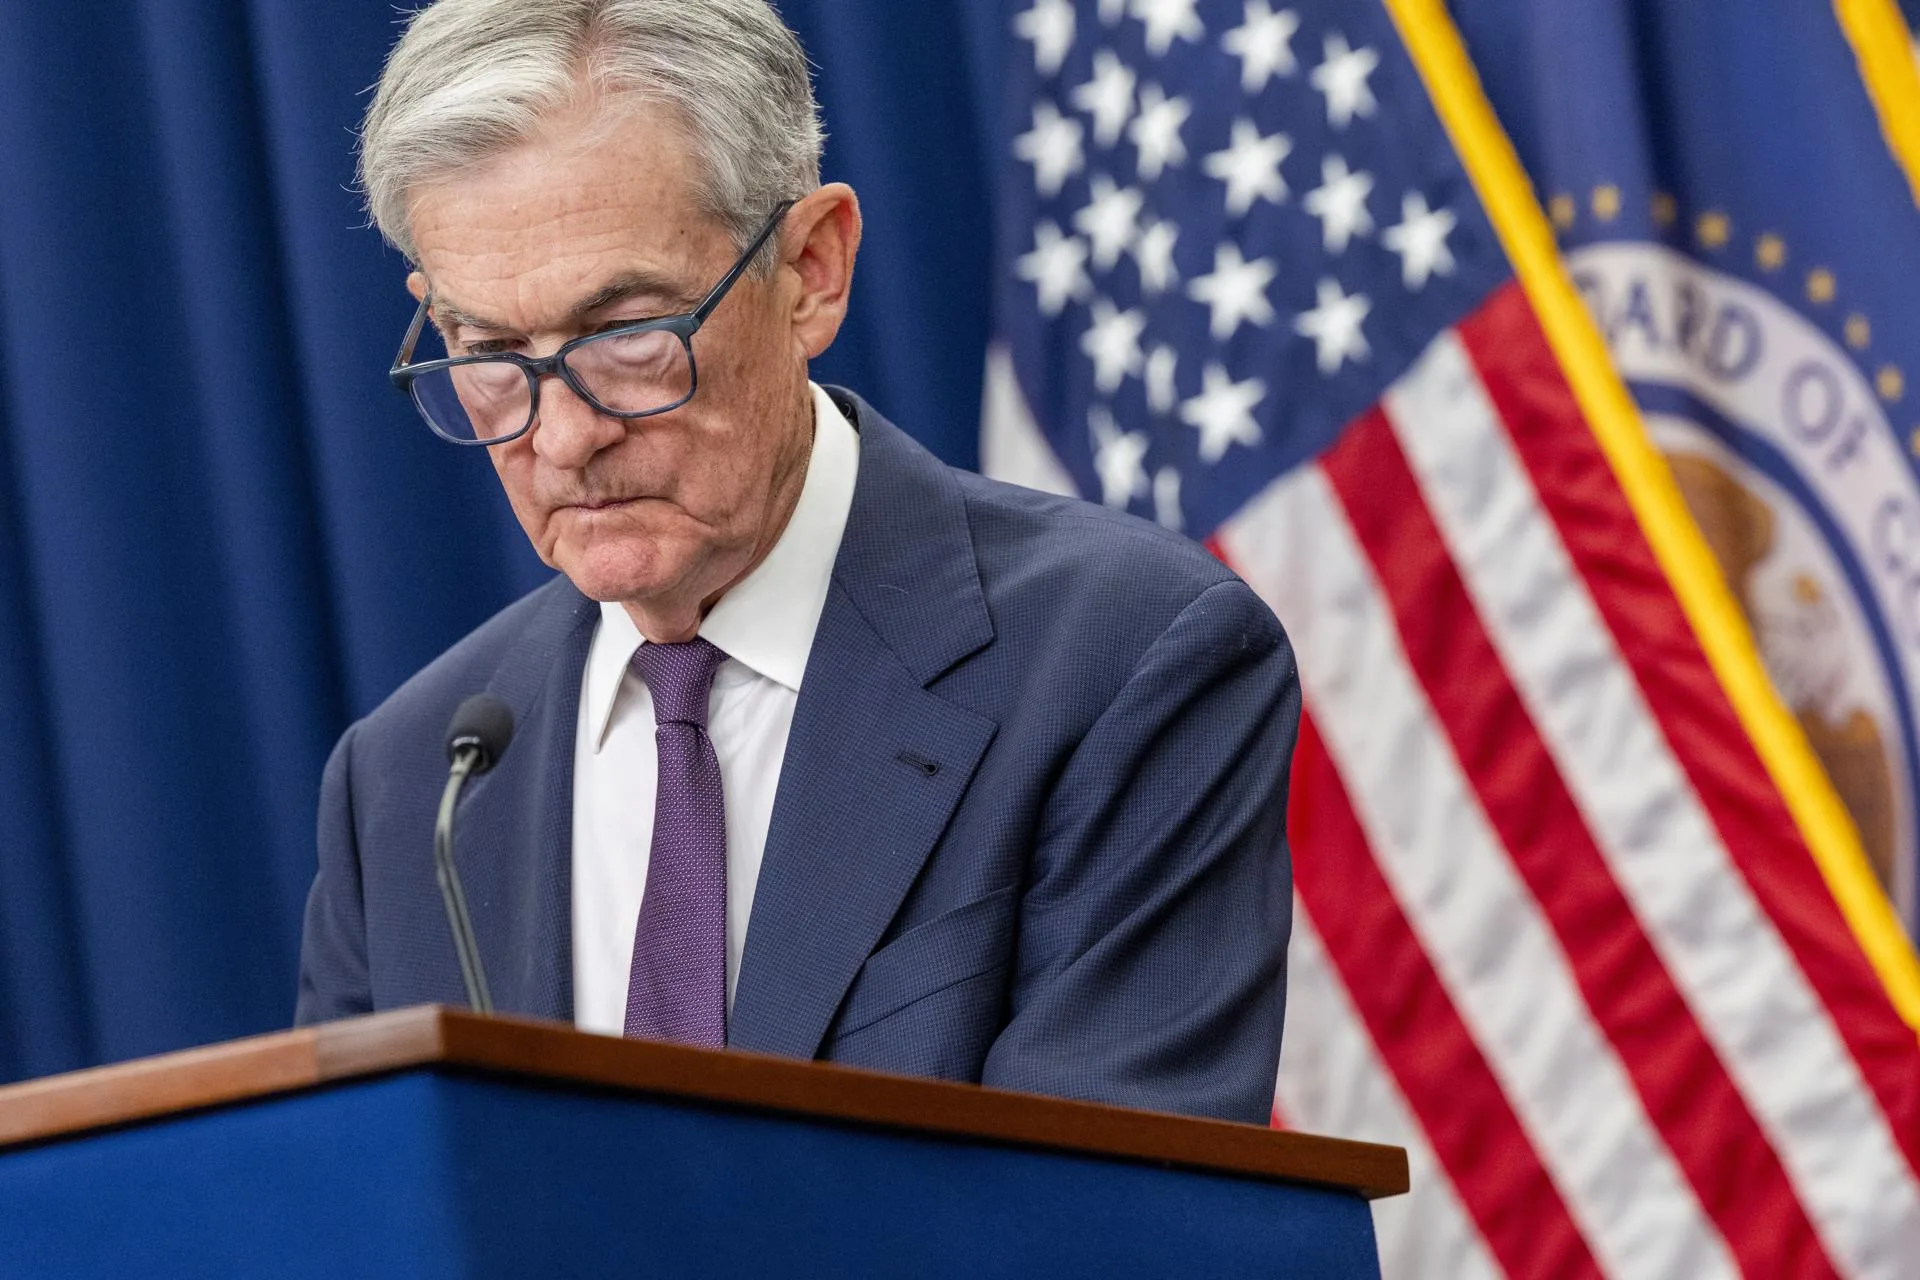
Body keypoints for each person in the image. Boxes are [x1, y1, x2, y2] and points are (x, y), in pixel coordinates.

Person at [294, 0, 1299, 1125]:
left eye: (626, 332)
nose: (563, 435)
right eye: (487, 352)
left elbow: (1103, 1229)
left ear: (812, 268)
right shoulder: (406, 787)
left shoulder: (1121, 659)